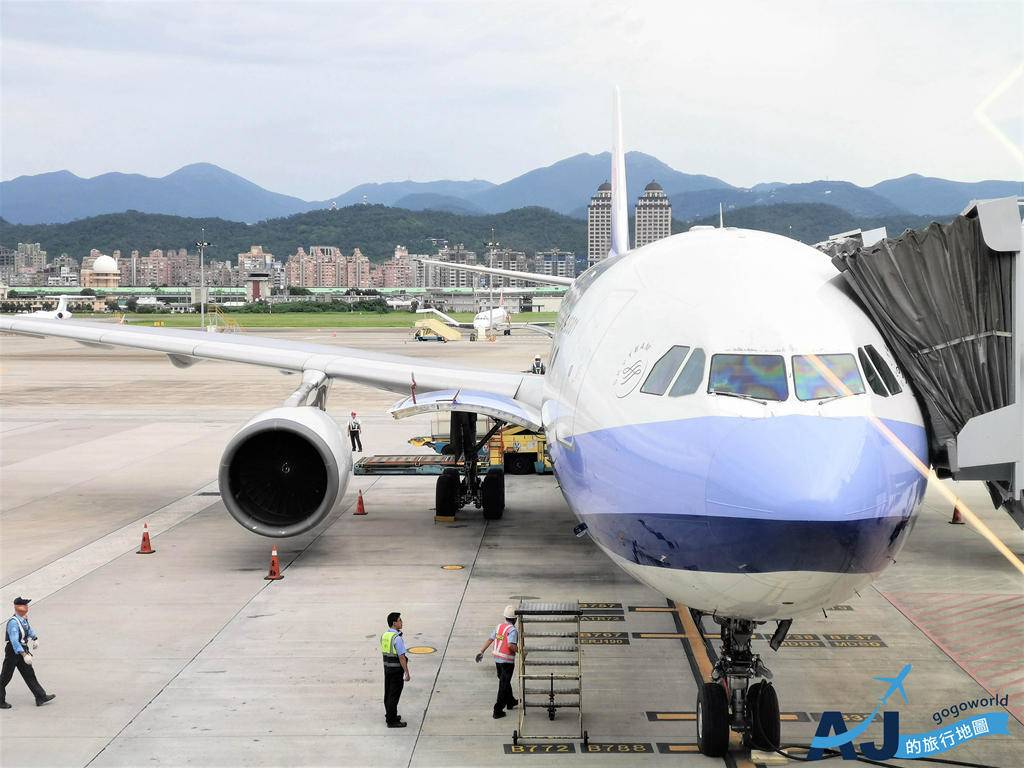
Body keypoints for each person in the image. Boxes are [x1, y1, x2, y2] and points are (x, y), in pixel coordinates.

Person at [1, 597, 55, 709]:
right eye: (24, 605)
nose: (26, 607)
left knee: (29, 673)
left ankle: (41, 696)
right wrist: (24, 654)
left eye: (26, 605)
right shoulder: (13, 623)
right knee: (5, 677)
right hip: (13, 651)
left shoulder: (23, 619)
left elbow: (28, 629)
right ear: (17, 607)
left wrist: (35, 638)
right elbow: (14, 641)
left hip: (22, 649)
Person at [475, 605, 519, 719]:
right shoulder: (512, 630)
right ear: (515, 619)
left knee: (504, 681)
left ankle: (511, 701)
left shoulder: (499, 627)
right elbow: (511, 645)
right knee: (503, 684)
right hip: (507, 661)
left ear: (505, 617)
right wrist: (521, 651)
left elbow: (490, 639)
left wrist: (481, 651)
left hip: (498, 659)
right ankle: (497, 710)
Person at [380, 612, 409, 728]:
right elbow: (402, 657)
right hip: (396, 670)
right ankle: (391, 721)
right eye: (400, 620)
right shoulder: (397, 638)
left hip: (387, 668)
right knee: (394, 695)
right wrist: (407, 672)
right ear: (394, 623)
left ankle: (390, 715)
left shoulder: (385, 636)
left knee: (388, 694)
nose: (401, 622)